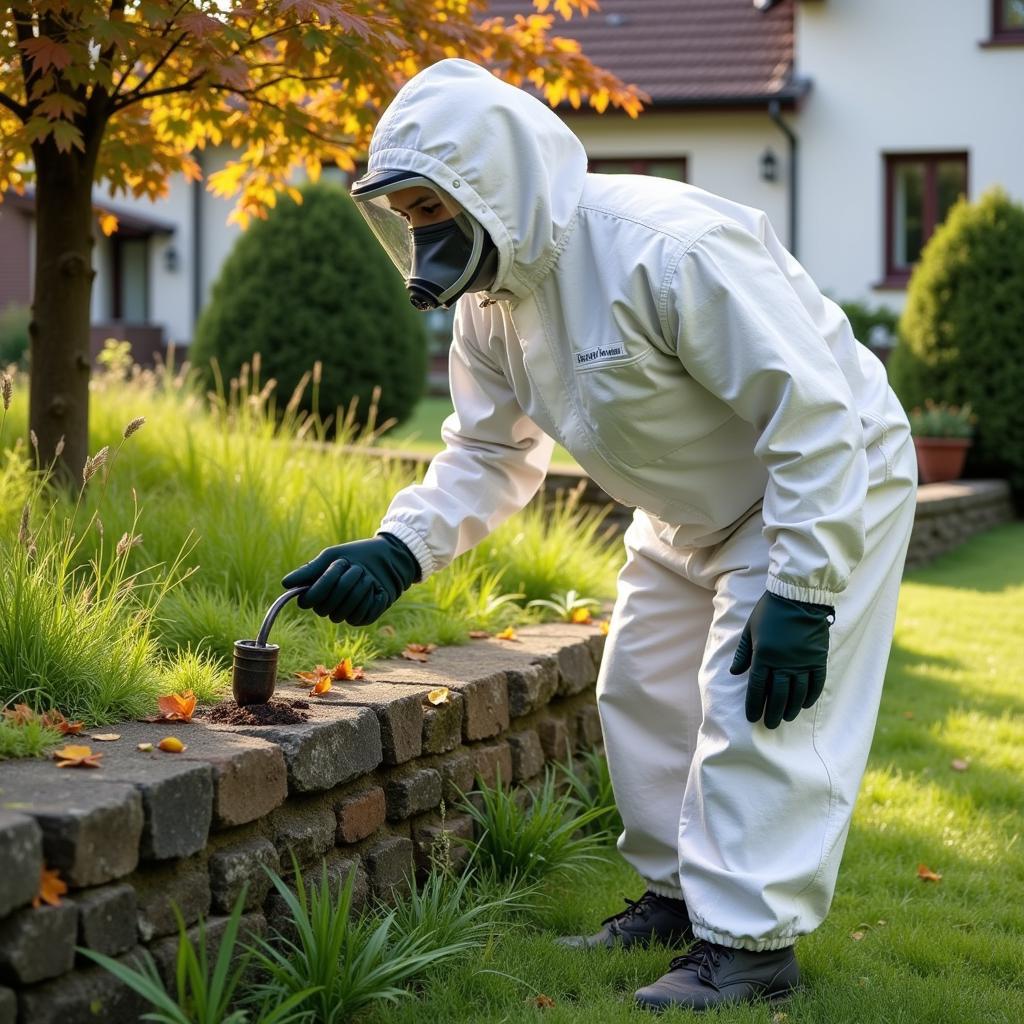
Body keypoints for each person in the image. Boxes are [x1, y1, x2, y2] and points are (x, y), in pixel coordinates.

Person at [282, 58, 918, 1012]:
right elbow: (490, 450)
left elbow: (814, 413)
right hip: (682, 511)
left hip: (818, 489)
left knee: (755, 709)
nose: (423, 235)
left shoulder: (664, 247)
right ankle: (676, 901)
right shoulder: (489, 307)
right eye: (408, 214)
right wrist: (398, 545)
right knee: (641, 694)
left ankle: (751, 949)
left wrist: (805, 589)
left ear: (492, 180)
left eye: (432, 207)